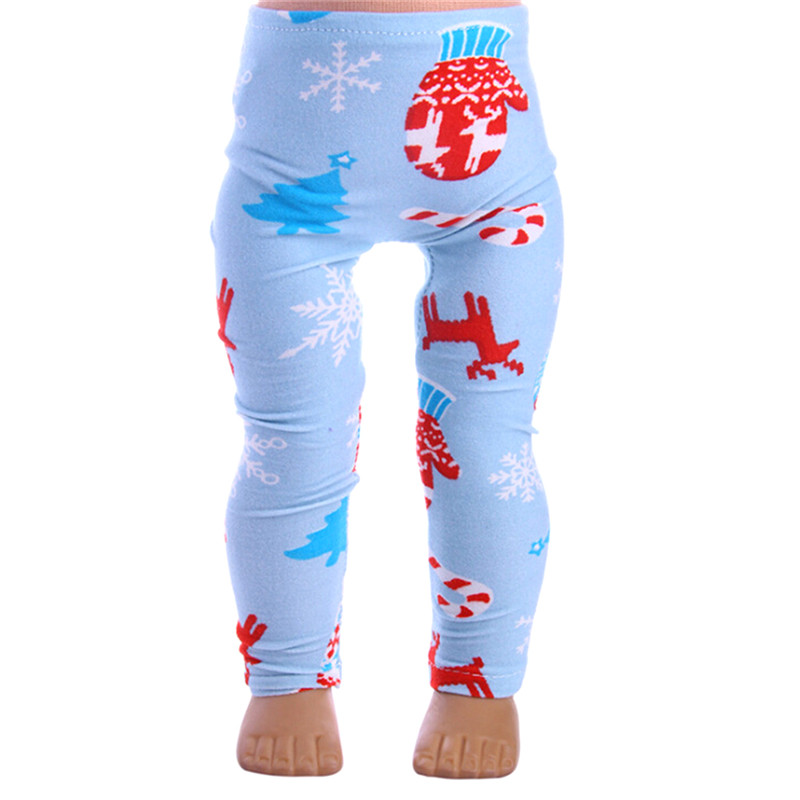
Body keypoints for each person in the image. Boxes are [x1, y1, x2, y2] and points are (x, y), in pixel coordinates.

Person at [210, 0, 563, 778]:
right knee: (293, 442)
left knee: (486, 442)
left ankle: (479, 684)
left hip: (495, 185)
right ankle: (289, 679)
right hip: (285, 183)